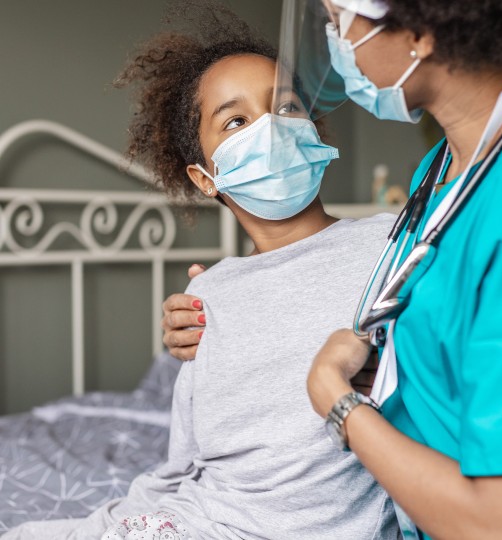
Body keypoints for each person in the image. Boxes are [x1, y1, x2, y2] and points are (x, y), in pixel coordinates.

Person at [164, 0, 502, 538]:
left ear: (418, 29)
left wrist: (340, 401)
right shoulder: (444, 171)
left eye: (339, 21)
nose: (332, 43)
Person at [1, 2, 399, 539]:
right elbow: (186, 456)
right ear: (206, 178)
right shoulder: (210, 292)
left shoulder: (389, 243)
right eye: (236, 121)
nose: (270, 129)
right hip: (207, 515)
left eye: (285, 107)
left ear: (313, 129)